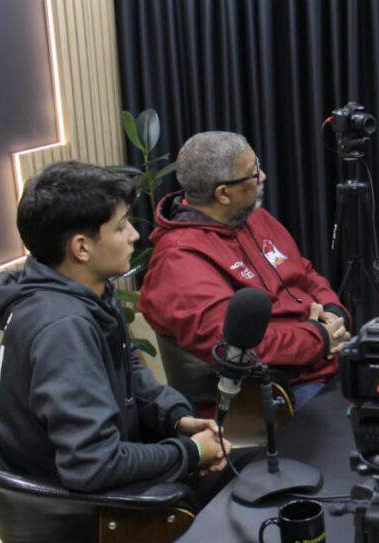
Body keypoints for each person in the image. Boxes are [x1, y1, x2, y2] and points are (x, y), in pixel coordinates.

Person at [0, 161, 234, 543]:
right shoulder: (62, 328)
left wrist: (175, 419)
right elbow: (92, 466)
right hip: (82, 524)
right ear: (81, 247)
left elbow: (129, 367)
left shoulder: (82, 290)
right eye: (120, 227)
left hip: (82, 490)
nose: (134, 236)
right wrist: (190, 453)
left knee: (249, 473)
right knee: (251, 495)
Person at [138, 131, 351, 408]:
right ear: (223, 194)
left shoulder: (251, 217)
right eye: (252, 173)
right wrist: (319, 338)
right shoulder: (180, 260)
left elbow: (304, 272)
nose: (262, 176)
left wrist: (334, 313)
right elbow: (236, 347)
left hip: (324, 359)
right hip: (276, 392)